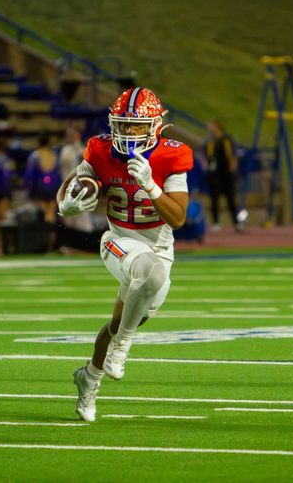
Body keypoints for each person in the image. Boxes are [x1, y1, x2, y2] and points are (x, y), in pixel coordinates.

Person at [58, 87, 192, 422]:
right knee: (150, 276)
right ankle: (122, 347)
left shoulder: (173, 157)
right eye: (122, 125)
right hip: (118, 240)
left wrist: (152, 185)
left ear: (156, 126)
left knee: (121, 320)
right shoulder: (101, 149)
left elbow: (177, 218)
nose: (127, 133)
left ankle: (89, 377)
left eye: (135, 126)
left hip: (159, 246)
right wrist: (67, 203)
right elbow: (75, 182)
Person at [203, 119, 240, 231]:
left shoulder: (227, 139)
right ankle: (215, 222)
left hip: (226, 172)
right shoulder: (209, 140)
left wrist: (232, 169)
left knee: (230, 198)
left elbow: (232, 155)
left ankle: (236, 222)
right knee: (214, 198)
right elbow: (207, 155)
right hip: (214, 173)